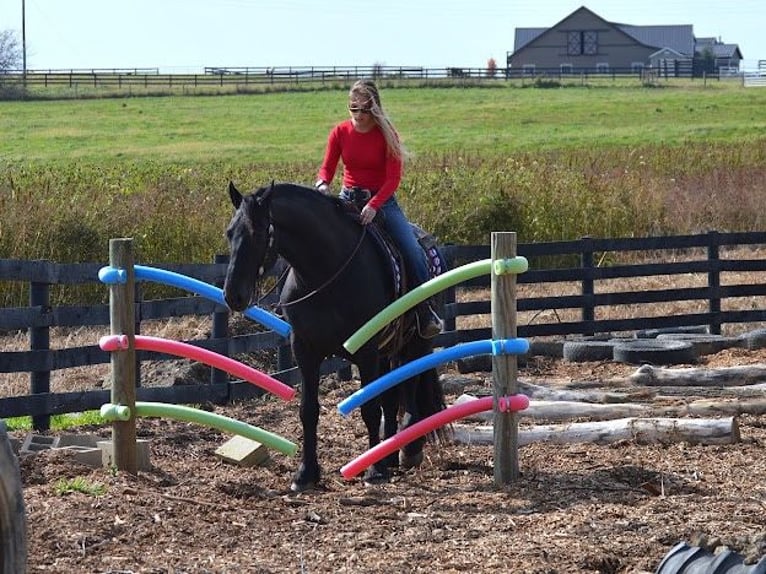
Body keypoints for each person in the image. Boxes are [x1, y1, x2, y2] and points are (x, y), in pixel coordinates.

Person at [314, 79, 443, 338]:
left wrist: (374, 205)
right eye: (353, 108)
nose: (358, 115)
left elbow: (393, 179)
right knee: (316, 240)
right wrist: (322, 184)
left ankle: (423, 311)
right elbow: (328, 166)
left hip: (382, 202)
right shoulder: (339, 132)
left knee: (411, 249)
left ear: (374, 108)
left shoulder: (387, 135)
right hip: (347, 197)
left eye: (364, 109)